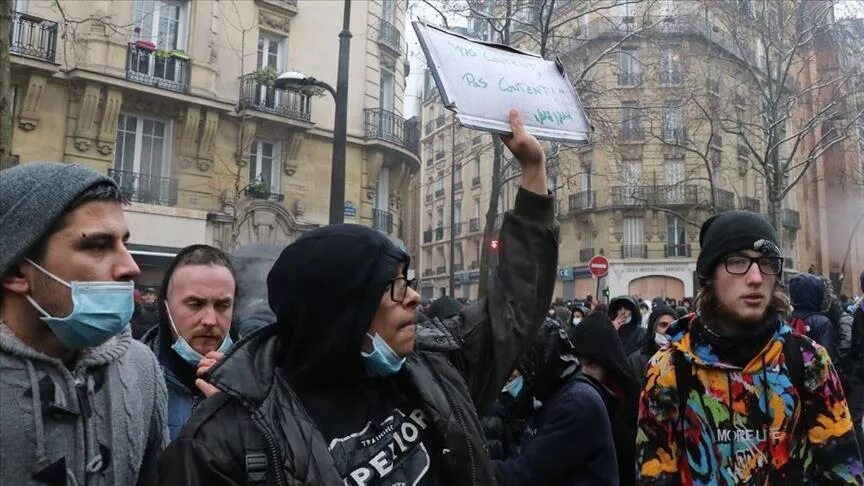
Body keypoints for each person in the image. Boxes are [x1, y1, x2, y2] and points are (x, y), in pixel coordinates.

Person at [157, 110, 558, 485]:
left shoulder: (437, 368)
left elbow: (513, 307)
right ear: (343, 308)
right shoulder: (223, 441)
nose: (415, 298)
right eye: (396, 286)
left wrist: (533, 173)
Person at [636, 210, 863, 483]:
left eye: (766, 263)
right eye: (738, 261)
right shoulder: (669, 369)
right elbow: (653, 474)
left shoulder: (808, 360)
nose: (756, 277)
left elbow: (844, 471)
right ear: (709, 275)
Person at [0, 163, 168, 485]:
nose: (131, 266)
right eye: (97, 246)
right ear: (16, 272)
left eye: (124, 243)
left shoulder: (141, 367)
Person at [492, 318, 620, 485]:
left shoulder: (577, 403)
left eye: (517, 373)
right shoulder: (549, 395)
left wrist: (473, 469)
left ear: (535, 363)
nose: (511, 381)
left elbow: (528, 473)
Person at [142, 245, 237, 440]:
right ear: (166, 309)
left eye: (222, 306)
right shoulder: (131, 379)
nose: (210, 320)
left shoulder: (260, 383)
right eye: (195, 304)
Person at [789, 273, 839, 363]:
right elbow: (827, 357)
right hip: (813, 373)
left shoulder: (786, 317)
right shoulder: (821, 322)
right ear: (816, 293)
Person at [628, 306, 678, 380]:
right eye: (663, 325)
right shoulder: (636, 360)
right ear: (653, 329)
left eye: (673, 325)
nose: (668, 330)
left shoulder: (685, 357)